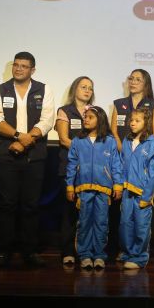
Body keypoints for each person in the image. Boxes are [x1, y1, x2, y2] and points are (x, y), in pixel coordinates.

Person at [0, 51, 55, 268]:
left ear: (32, 70)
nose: (18, 69)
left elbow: (47, 121)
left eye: (23, 66)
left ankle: (30, 251)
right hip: (7, 153)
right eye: (16, 65)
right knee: (7, 204)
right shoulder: (0, 89)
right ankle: (4, 250)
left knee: (31, 205)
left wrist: (27, 140)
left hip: (34, 156)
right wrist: (19, 136)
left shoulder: (44, 89)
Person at [65, 106, 123, 271]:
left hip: (103, 191)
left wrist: (117, 185)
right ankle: (84, 255)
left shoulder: (110, 141)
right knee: (84, 222)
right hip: (83, 190)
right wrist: (70, 185)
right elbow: (72, 164)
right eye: (85, 117)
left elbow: (116, 165)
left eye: (90, 117)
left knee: (101, 223)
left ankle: (99, 255)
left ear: (101, 120)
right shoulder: (77, 141)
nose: (86, 119)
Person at [55, 76, 94, 267]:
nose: (87, 91)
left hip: (90, 170)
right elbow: (63, 139)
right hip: (70, 167)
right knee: (69, 211)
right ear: (75, 89)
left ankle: (86, 251)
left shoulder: (95, 112)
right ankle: (68, 251)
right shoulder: (65, 111)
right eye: (83, 87)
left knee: (89, 212)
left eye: (90, 88)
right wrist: (86, 150)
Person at [119, 108, 154, 269]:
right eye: (131, 120)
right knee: (125, 223)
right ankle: (128, 253)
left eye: (137, 120)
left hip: (142, 192)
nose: (133, 123)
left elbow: (153, 172)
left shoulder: (151, 144)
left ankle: (139, 257)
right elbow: (121, 164)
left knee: (141, 225)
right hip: (126, 191)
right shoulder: (127, 141)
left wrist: (147, 195)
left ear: (146, 123)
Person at [111, 69, 154, 150]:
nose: (133, 82)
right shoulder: (119, 103)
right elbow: (114, 132)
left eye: (138, 79)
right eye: (131, 78)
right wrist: (122, 150)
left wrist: (141, 151)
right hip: (121, 152)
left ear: (146, 84)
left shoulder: (153, 104)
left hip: (144, 153)